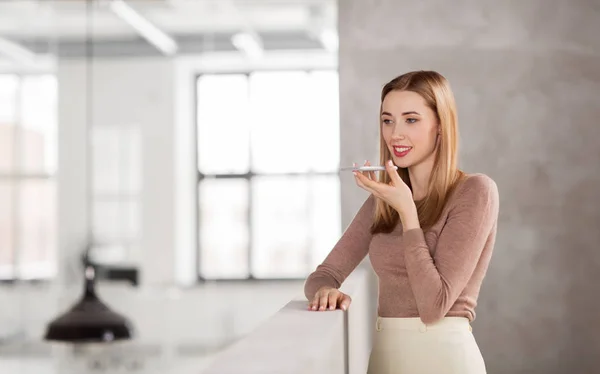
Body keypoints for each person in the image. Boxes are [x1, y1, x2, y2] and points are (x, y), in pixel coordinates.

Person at [304, 70, 499, 374]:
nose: (396, 134)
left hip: (445, 360)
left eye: (411, 120)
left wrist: (408, 214)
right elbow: (325, 274)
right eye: (387, 120)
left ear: (440, 126)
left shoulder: (475, 192)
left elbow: (434, 306)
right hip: (386, 359)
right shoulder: (383, 201)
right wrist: (325, 292)